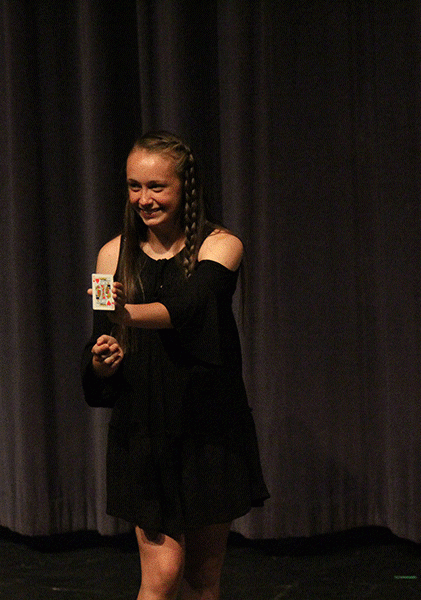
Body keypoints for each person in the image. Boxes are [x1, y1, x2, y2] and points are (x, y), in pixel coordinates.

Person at [82, 130, 269, 600]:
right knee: (161, 577)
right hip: (145, 430)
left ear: (185, 186)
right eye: (133, 186)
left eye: (156, 187)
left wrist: (127, 314)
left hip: (208, 426)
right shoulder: (111, 255)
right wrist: (103, 360)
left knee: (202, 581)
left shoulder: (221, 246)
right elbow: (104, 338)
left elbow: (190, 308)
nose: (143, 199)